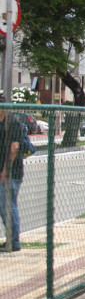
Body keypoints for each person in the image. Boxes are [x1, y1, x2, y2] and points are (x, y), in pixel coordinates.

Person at [0, 96, 27, 252]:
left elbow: (14, 148)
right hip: (4, 172)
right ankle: (10, 240)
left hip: (11, 173)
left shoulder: (12, 123)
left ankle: (13, 242)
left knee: (8, 205)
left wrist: (5, 170)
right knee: (4, 206)